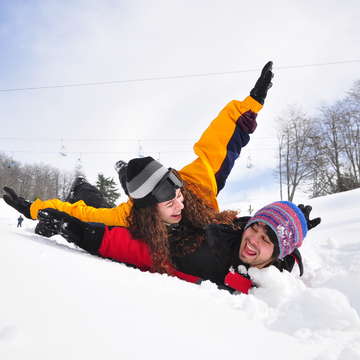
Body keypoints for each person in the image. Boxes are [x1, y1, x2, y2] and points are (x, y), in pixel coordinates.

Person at [3, 61, 274, 272]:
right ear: (147, 209)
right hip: (127, 205)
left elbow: (217, 143)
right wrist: (32, 208)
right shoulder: (128, 216)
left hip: (156, 198)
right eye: (169, 204)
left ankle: (122, 169)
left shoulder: (194, 184)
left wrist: (251, 104)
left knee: (117, 194)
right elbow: (80, 213)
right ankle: (104, 178)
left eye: (177, 196)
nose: (179, 205)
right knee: (97, 203)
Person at [36, 201, 321, 293]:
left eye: (266, 239)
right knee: (94, 200)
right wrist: (71, 228)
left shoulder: (281, 273)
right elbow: (135, 247)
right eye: (254, 228)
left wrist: (298, 227)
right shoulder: (206, 248)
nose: (253, 240)